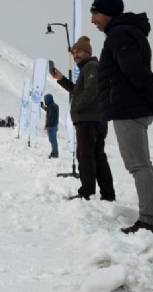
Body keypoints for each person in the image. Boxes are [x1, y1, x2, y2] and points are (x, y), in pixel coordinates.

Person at [91, 0, 153, 236]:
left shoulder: (119, 33)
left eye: (95, 13)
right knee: (141, 165)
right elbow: (139, 69)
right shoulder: (126, 32)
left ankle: (150, 221)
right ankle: (151, 218)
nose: (92, 19)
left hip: (128, 108)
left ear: (108, 12)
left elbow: (134, 70)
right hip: (132, 107)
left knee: (138, 166)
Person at [51, 36, 115, 201]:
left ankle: (86, 192)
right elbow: (78, 90)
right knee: (97, 156)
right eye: (73, 51)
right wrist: (61, 79)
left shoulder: (91, 66)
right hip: (96, 118)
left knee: (85, 155)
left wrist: (77, 108)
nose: (75, 54)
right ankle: (107, 194)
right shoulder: (88, 67)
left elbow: (90, 91)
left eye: (78, 51)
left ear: (87, 51)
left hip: (89, 119)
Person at [40, 94, 59, 158]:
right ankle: (54, 152)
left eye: (45, 99)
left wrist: (47, 125)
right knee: (53, 140)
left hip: (51, 126)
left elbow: (50, 116)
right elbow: (48, 110)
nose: (45, 101)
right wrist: (43, 106)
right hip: (54, 125)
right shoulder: (54, 106)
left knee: (52, 140)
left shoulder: (51, 106)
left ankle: (55, 153)